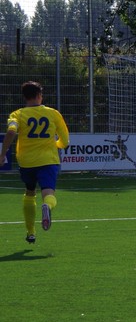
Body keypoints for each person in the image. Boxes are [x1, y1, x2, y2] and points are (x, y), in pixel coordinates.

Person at [1, 81, 70, 244]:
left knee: (30, 192)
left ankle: (31, 232)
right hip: (48, 160)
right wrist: (57, 145)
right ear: (39, 95)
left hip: (27, 162)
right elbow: (65, 141)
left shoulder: (17, 114)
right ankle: (47, 206)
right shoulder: (53, 113)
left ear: (25, 97)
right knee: (48, 192)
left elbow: (11, 131)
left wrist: (3, 154)